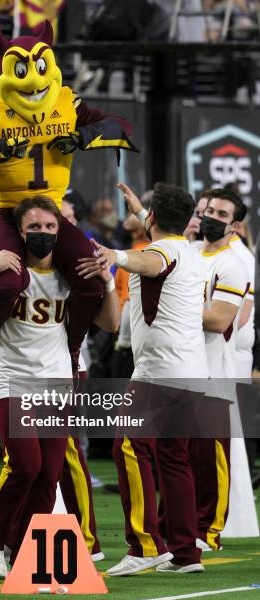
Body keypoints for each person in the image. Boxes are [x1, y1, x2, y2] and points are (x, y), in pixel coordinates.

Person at [0, 19, 137, 376]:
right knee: (8, 282)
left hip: (50, 212)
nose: (32, 79)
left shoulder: (67, 100)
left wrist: (84, 136)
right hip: (8, 210)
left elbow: (119, 126)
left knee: (92, 277)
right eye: (21, 68)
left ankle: (73, 349)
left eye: (38, 66)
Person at [0, 195, 119, 578]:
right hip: (11, 379)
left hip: (55, 381)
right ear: (20, 230)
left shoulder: (71, 277)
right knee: (25, 465)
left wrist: (109, 283)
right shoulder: (7, 273)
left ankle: (24, 547)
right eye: (34, 227)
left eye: (50, 227)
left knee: (49, 475)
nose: (43, 234)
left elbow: (112, 325)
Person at [78, 181, 209, 575]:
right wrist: (139, 211)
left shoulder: (160, 252)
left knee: (128, 449)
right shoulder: (188, 247)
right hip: (190, 372)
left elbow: (149, 262)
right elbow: (161, 243)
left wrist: (113, 253)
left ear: (153, 220)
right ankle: (186, 554)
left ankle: (144, 545)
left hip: (159, 372)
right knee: (174, 460)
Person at [193, 188, 249, 551]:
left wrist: (176, 311)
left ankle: (208, 531)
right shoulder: (190, 252)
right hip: (181, 365)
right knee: (179, 455)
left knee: (212, 456)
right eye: (209, 209)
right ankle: (180, 528)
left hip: (214, 367)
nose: (211, 216)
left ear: (235, 226)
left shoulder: (234, 263)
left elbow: (221, 321)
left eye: (221, 213)